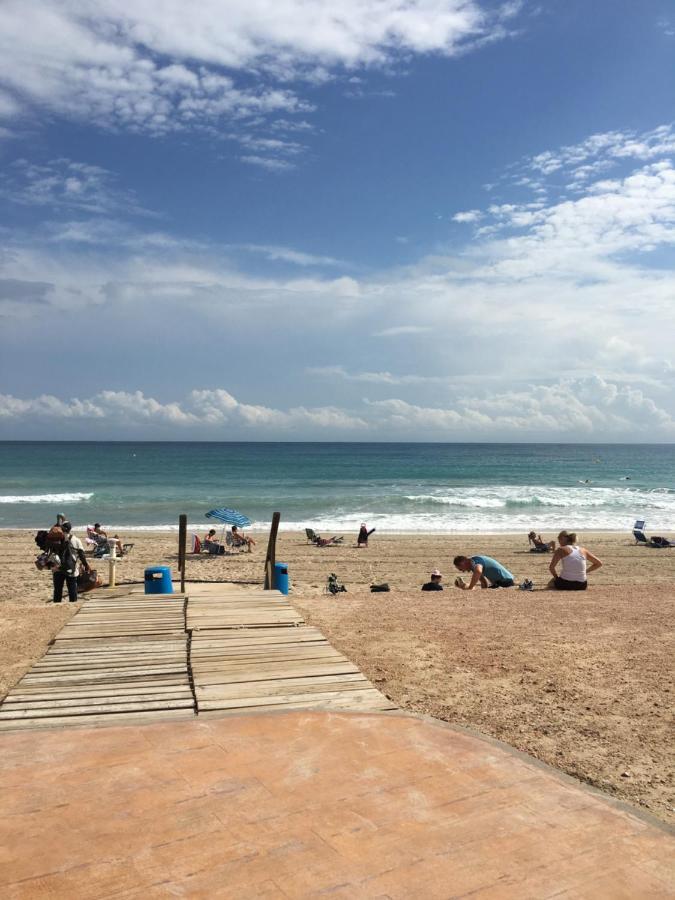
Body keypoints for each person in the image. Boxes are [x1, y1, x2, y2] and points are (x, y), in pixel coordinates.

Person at [52, 521, 90, 603]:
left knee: (58, 589)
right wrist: (86, 565)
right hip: (71, 567)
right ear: (70, 529)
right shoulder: (76, 540)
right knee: (72, 588)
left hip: (57, 567)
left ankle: (56, 604)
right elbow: (81, 555)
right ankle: (73, 603)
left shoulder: (56, 538)